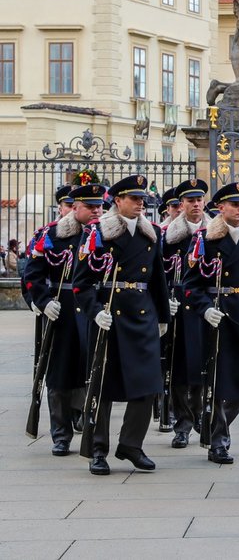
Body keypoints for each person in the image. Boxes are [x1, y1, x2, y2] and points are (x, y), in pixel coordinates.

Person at [72, 175, 171, 475]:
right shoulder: (98, 233)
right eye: (133, 198)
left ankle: (131, 444)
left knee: (148, 383)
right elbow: (81, 283)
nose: (140, 203)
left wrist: (163, 317)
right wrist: (93, 311)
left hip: (141, 314)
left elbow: (158, 281)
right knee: (102, 386)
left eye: (142, 198)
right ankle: (97, 449)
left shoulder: (152, 233)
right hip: (108, 315)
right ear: (117, 201)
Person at [183, 182, 239, 464]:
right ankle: (219, 440)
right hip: (218, 315)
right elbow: (190, 285)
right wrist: (205, 308)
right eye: (234, 204)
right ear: (220, 208)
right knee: (220, 381)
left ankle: (212, 425)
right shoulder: (205, 240)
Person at [23, 184, 104, 455]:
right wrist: (43, 303)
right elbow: (33, 275)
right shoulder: (52, 235)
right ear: (75, 207)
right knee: (59, 374)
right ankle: (61, 433)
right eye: (90, 206)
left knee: (88, 371)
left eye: (99, 206)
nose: (96, 211)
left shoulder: (106, 235)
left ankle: (83, 416)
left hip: (93, 311)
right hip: (63, 310)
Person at [161, 179, 210, 449]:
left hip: (203, 308)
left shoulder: (214, 232)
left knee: (202, 366)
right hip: (177, 307)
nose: (195, 204)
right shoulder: (167, 237)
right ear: (181, 205)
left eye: (199, 200)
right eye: (190, 201)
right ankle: (182, 424)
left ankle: (201, 414)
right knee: (178, 368)